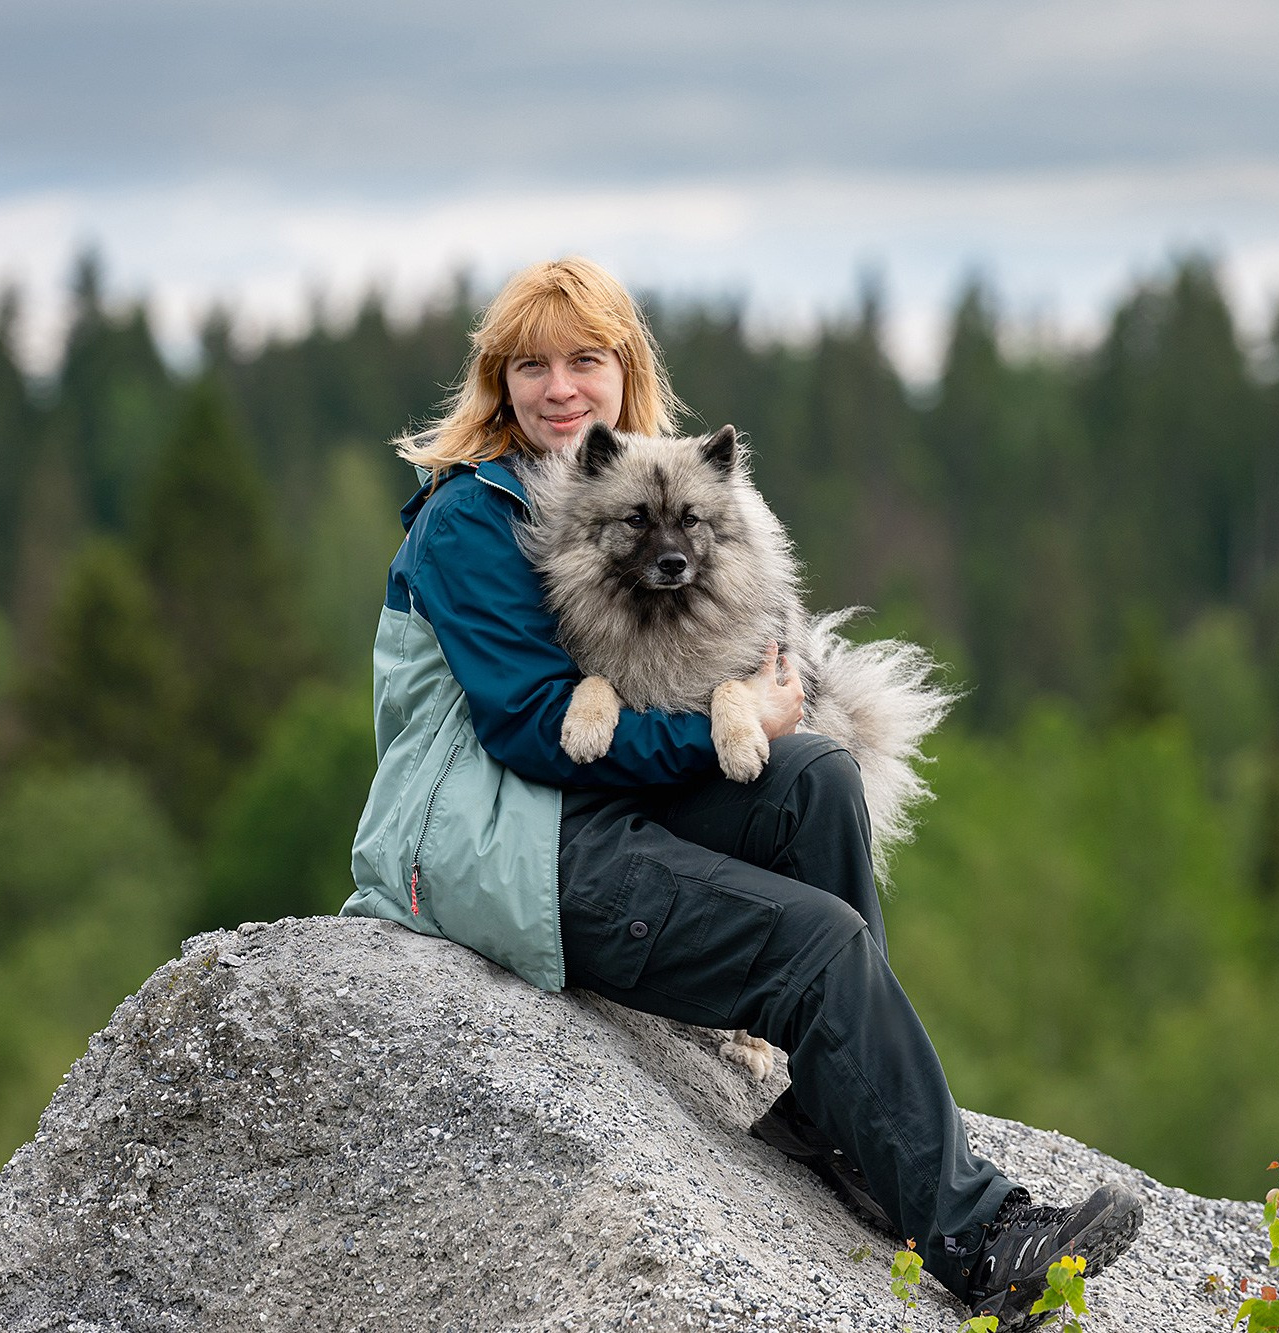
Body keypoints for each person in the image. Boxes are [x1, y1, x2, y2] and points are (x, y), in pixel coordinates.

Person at [342, 256, 1142, 1327]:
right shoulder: (468, 522)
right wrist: (720, 727)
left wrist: (761, 716)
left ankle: (827, 1114)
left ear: (625, 373)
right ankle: (982, 1240)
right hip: (505, 845)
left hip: (589, 812)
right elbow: (538, 731)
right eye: (530, 366)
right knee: (814, 945)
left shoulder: (628, 485)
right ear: (497, 382)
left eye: (585, 359)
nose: (559, 386)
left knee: (813, 773)